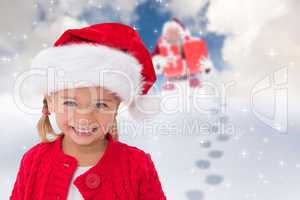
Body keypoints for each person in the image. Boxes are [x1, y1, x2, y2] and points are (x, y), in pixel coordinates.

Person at [10, 23, 166, 200]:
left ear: (116, 107)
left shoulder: (137, 165)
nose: (84, 117)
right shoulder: (33, 161)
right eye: (69, 103)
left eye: (100, 105)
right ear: (50, 102)